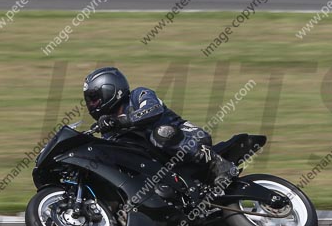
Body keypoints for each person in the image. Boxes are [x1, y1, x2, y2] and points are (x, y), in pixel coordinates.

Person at [82, 67, 238, 186]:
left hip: (189, 137)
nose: (91, 105)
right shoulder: (110, 130)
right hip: (164, 162)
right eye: (89, 100)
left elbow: (153, 110)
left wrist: (122, 121)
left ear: (110, 90)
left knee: (161, 134)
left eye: (94, 98)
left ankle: (219, 164)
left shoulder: (138, 95)